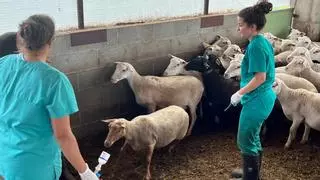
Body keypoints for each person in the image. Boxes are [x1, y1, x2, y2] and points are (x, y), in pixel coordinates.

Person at [0, 14, 98, 180]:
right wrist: (85, 172)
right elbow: (63, 136)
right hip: (35, 167)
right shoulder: (55, 81)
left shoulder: (4, 63)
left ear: (20, 37)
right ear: (51, 40)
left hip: (6, 157)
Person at [229, 1, 275, 180]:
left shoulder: (256, 46)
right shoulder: (261, 41)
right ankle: (253, 173)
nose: (238, 28)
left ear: (252, 27)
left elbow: (260, 77)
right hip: (261, 97)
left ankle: (250, 176)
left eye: (241, 25)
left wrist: (239, 93)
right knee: (252, 136)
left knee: (245, 138)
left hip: (258, 99)